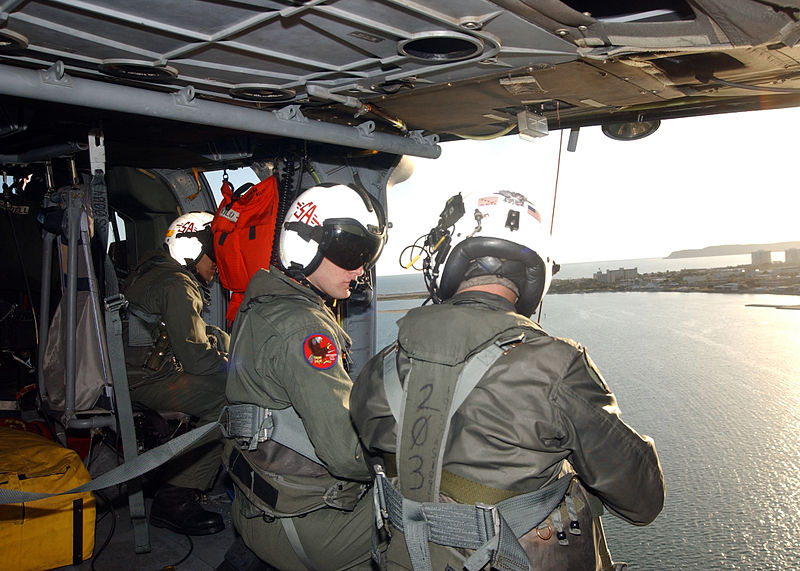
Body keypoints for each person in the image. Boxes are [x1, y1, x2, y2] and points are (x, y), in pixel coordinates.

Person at [350, 191, 665, 571]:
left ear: (448, 264)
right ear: (535, 276)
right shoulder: (558, 365)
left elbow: (368, 461)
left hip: (407, 557)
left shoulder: (380, 366)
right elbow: (643, 500)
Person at [223, 183, 388, 570]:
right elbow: (348, 455)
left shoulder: (262, 302)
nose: (360, 269)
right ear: (305, 246)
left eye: (367, 255)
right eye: (350, 253)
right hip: (302, 524)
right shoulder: (303, 328)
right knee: (429, 516)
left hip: (257, 501)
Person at [123, 211, 229, 536]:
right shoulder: (178, 284)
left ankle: (175, 474)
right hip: (144, 382)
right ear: (191, 249)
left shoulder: (152, 271)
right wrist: (240, 370)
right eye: (214, 255)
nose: (217, 264)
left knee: (219, 341)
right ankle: (176, 496)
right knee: (232, 400)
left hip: (130, 374)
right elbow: (196, 359)